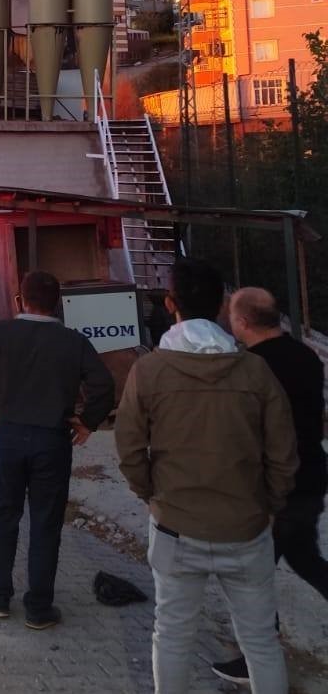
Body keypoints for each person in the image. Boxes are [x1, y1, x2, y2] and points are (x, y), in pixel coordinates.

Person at [115, 260, 298, 694]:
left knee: (172, 635)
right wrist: (270, 504)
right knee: (260, 642)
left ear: (169, 303)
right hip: (247, 528)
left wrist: (151, 495)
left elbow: (129, 449)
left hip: (176, 526)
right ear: (220, 306)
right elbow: (283, 453)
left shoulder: (149, 370)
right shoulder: (255, 371)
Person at [0, 270, 115, 630]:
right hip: (53, 441)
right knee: (46, 524)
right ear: (58, 303)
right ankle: (39, 608)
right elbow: (104, 385)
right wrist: (87, 421)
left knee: (3, 518)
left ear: (20, 299)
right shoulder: (73, 341)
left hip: (7, 438)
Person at [210, 287, 328, 686]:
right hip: (311, 475)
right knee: (304, 557)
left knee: (251, 577)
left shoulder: (250, 367)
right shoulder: (305, 355)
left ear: (242, 322)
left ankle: (256, 660)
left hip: (274, 487)